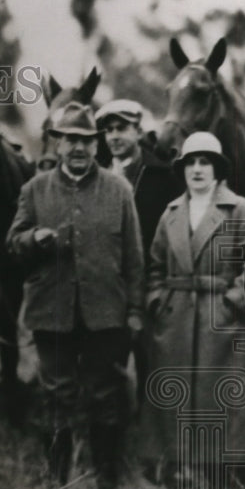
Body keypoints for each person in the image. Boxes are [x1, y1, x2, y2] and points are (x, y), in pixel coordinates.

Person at [6, 102, 145, 489]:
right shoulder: (34, 190)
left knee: (106, 396)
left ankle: (107, 482)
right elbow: (12, 246)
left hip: (106, 313)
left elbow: (134, 259)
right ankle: (58, 483)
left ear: (95, 144)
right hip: (51, 313)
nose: (78, 148)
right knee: (56, 396)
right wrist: (33, 239)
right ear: (58, 143)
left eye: (85, 141)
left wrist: (134, 312)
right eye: (70, 140)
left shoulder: (119, 191)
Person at [142, 132, 245, 486]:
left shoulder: (239, 209)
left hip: (223, 321)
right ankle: (184, 473)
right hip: (177, 320)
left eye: (205, 162)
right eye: (190, 163)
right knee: (179, 397)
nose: (197, 170)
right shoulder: (171, 214)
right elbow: (154, 267)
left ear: (218, 169)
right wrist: (157, 301)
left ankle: (239, 481)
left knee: (228, 400)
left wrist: (233, 301)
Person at [95, 98, 183, 410]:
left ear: (138, 130)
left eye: (122, 129)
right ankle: (116, 437)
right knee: (108, 367)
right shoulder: (97, 177)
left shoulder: (163, 176)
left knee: (152, 365)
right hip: (108, 290)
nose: (115, 136)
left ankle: (151, 441)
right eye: (109, 130)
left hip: (150, 288)